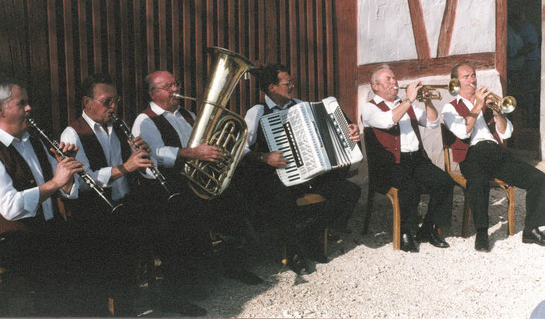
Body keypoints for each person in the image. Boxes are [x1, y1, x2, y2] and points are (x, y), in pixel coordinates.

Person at [0, 78, 115, 316]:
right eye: (21, 103)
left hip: (45, 233)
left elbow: (66, 191)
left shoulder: (34, 142)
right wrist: (56, 181)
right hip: (9, 240)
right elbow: (11, 207)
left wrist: (65, 177)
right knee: (58, 286)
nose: (29, 108)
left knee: (94, 256)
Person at [61, 72, 206, 316]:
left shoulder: (119, 126)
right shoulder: (73, 133)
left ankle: (171, 296)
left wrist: (145, 162)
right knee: (115, 259)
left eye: (115, 100)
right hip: (95, 213)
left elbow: (142, 171)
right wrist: (124, 168)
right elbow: (80, 182)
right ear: (87, 102)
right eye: (107, 101)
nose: (113, 106)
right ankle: (120, 310)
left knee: (169, 225)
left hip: (125, 206)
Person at [132, 70, 263, 287]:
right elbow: (154, 156)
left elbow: (206, 143)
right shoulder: (144, 120)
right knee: (192, 218)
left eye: (176, 83)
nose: (176, 89)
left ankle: (233, 266)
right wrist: (191, 153)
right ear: (152, 93)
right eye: (168, 86)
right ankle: (188, 282)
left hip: (199, 183)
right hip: (171, 189)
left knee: (235, 202)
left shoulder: (188, 115)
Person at [238, 64, 361, 272]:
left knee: (350, 192)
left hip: (312, 174)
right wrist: (264, 156)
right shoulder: (257, 111)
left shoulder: (301, 105)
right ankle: (294, 252)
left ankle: (311, 235)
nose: (292, 86)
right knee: (282, 201)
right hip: (276, 176)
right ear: (272, 88)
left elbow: (331, 128)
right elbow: (239, 148)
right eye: (287, 83)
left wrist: (350, 131)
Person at [442, 63, 545, 252]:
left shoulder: (488, 103)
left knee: (538, 178)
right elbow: (463, 132)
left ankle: (531, 230)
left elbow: (506, 133)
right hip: (470, 155)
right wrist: (477, 105)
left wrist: (498, 113)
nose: (472, 80)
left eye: (473, 75)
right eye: (466, 77)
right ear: (456, 82)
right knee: (478, 182)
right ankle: (482, 233)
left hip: (494, 152)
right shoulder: (450, 108)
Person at [361, 64, 454, 252]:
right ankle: (405, 231)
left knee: (445, 182)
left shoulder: (405, 105)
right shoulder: (370, 108)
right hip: (390, 164)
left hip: (416, 159)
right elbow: (388, 121)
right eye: (388, 79)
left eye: (394, 78)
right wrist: (409, 100)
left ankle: (428, 229)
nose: (394, 82)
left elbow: (432, 122)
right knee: (410, 187)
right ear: (375, 86)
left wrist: (427, 102)